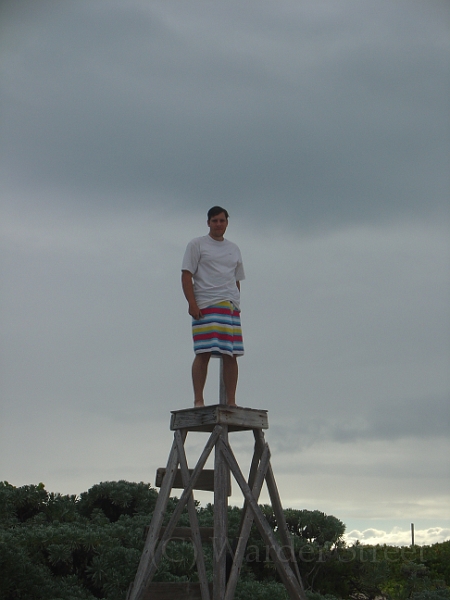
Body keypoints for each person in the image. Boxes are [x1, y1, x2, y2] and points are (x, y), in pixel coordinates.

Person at [181, 206, 245, 407]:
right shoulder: (197, 244)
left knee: (231, 354)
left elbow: (237, 279)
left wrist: (236, 302)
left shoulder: (234, 248)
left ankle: (231, 402)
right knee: (203, 352)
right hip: (206, 303)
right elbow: (186, 275)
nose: (218, 224)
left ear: (227, 223)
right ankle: (198, 400)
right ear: (208, 222)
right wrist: (192, 303)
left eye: (222, 221)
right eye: (215, 220)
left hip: (230, 306)